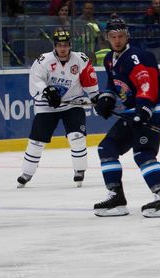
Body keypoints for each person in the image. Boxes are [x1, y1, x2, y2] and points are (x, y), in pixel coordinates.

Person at [92, 17, 160, 218]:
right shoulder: (109, 59)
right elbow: (113, 85)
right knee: (107, 148)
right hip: (133, 113)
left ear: (127, 36)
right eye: (113, 37)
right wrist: (106, 99)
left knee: (143, 154)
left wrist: (145, 110)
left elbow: (147, 84)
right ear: (107, 37)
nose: (117, 40)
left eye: (121, 36)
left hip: (152, 112)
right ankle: (117, 198)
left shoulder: (137, 57)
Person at [17, 29, 99, 188]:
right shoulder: (43, 61)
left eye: (66, 45)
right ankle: (26, 173)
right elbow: (36, 81)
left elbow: (89, 81)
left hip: (72, 103)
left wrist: (96, 97)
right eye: (59, 45)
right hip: (47, 106)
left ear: (70, 45)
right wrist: (47, 92)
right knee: (36, 141)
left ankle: (79, 170)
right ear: (54, 45)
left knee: (77, 136)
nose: (63, 48)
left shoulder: (80, 59)